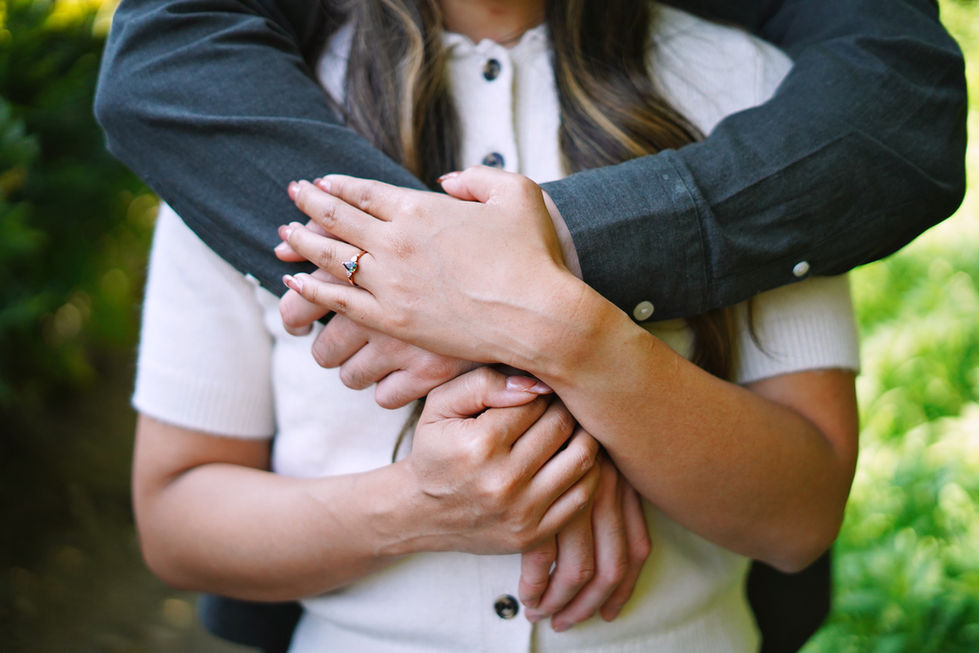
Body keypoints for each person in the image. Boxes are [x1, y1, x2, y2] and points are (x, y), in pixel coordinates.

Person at [96, 0, 965, 650]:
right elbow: (177, 517)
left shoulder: (752, 91)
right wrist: (419, 507)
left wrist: (572, 340)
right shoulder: (249, 116)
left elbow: (800, 513)